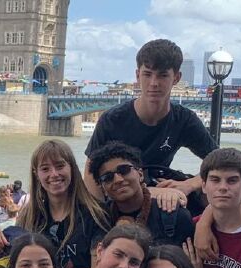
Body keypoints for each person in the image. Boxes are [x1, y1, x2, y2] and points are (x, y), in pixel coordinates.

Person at [84, 40, 217, 208]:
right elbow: (90, 172)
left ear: (176, 78)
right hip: (121, 193)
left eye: (162, 75)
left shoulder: (184, 120)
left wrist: (189, 184)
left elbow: (218, 161)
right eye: (147, 74)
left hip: (161, 186)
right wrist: (100, 214)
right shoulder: (113, 120)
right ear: (138, 75)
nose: (154, 83)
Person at [0, 140, 111, 268]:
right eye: (45, 169)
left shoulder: (96, 214)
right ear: (36, 175)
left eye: (60, 166)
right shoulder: (29, 216)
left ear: (72, 168)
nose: (54, 174)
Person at [90, 141, 196, 248]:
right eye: (107, 177)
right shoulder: (99, 221)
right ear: (102, 187)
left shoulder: (174, 215)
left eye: (124, 170)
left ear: (140, 174)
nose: (118, 180)